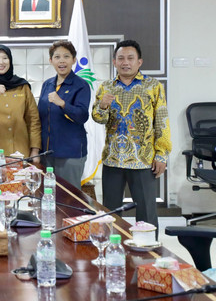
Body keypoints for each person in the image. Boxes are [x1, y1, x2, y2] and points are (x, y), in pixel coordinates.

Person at [92, 39, 171, 231]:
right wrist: (102, 106)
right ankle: (112, 251)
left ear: (139, 62)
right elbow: (98, 118)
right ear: (114, 62)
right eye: (121, 58)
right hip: (113, 159)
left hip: (143, 159)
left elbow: (161, 121)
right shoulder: (106, 87)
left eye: (130, 58)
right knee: (110, 213)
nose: (125, 62)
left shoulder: (153, 86)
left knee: (146, 212)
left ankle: (149, 254)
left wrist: (162, 154)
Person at [37, 40, 90, 186]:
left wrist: (62, 103)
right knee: (47, 196)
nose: (62, 61)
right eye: (57, 57)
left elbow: (82, 116)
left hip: (69, 154)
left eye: (66, 56)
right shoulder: (47, 84)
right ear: (51, 60)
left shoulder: (81, 85)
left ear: (74, 60)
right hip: (46, 154)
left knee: (69, 199)